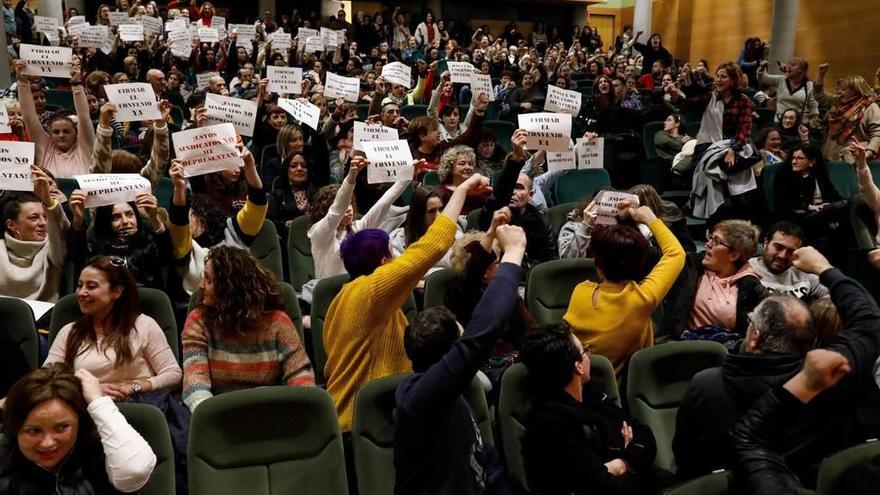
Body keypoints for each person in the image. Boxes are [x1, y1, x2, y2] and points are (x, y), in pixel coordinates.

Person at [675, 247, 880, 484]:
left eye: (751, 322)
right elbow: (869, 322)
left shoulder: (706, 385)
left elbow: (684, 455)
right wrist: (825, 269)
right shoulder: (831, 380)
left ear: (755, 337)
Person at [323, 172, 492, 431]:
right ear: (384, 264)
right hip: (363, 423)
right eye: (393, 255)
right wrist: (461, 191)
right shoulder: (372, 290)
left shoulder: (341, 300)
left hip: (367, 416)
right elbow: (430, 248)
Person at [394, 224, 526, 494]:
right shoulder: (420, 400)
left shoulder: (454, 397)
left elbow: (486, 461)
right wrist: (513, 254)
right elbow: (481, 335)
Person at [520, 324, 659, 494]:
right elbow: (601, 487)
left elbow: (644, 436)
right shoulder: (550, 426)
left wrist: (620, 465)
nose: (588, 355)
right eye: (585, 350)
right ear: (578, 366)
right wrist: (628, 460)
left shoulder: (591, 394)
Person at [181, 246, 314, 411]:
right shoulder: (198, 321)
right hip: (218, 417)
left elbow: (302, 379)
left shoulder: (277, 323)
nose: (201, 286)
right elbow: (195, 384)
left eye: (208, 280)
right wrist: (215, 418)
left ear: (230, 288)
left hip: (271, 412)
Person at [563, 202, 686, 375]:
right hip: (623, 392)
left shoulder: (580, 292)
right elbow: (676, 253)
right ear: (641, 263)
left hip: (582, 383)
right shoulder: (643, 299)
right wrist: (649, 219)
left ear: (597, 264)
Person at [0, 365, 156, 492]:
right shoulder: (6, 461)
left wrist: (98, 402)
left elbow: (135, 470)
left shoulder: (102, 457)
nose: (47, 443)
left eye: (62, 427)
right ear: (16, 428)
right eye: (33, 431)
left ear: (80, 424)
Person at [43, 256, 182, 400]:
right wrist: (86, 388)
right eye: (79, 285)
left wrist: (135, 386)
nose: (81, 293)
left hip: (138, 407)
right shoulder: (70, 331)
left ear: (116, 292)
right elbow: (47, 378)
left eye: (91, 286)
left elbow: (173, 374)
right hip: (87, 410)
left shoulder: (144, 325)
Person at [306, 156, 409, 283]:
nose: (348, 209)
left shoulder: (358, 228)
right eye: (345, 204)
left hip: (356, 292)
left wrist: (408, 175)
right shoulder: (319, 235)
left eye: (350, 203)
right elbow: (336, 211)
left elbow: (384, 203)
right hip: (330, 295)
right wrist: (351, 178)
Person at [663, 220, 767, 342]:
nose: (708, 244)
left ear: (734, 255)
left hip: (724, 354)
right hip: (679, 346)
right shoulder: (691, 266)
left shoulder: (750, 285)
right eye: (710, 238)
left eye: (716, 241)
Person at [478, 130, 555, 266]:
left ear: (530, 195)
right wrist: (516, 156)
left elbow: (550, 255)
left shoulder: (538, 217)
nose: (513, 192)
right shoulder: (494, 212)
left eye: (519, 187)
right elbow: (502, 194)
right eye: (511, 187)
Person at [68, 191, 173, 291]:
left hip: (145, 304)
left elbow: (167, 256)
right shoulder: (95, 246)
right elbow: (76, 256)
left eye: (130, 214)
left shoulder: (148, 240)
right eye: (116, 217)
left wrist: (154, 218)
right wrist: (78, 219)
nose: (126, 221)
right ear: (106, 222)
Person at [15, 60, 97, 178]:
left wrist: (76, 84)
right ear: (49, 133)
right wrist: (23, 82)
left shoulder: (84, 148)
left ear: (76, 133)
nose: (61, 135)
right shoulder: (44, 149)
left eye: (67, 131)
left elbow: (84, 118)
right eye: (56, 132)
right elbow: (29, 118)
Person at [0, 169, 69, 302]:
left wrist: (48, 201)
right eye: (33, 218)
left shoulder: (53, 250)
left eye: (45, 217)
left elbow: (61, 229)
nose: (43, 223)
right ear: (12, 225)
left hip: (42, 321)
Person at [773, 143, 847, 257]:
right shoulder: (784, 175)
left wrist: (832, 203)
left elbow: (834, 195)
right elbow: (784, 201)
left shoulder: (820, 175)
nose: (794, 161)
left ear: (812, 162)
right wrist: (809, 206)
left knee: (843, 207)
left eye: (800, 158)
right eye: (793, 158)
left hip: (823, 212)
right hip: (801, 215)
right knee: (837, 210)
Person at [389, 186, 461, 281]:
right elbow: (403, 273)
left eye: (440, 209)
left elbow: (462, 269)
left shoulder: (455, 234)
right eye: (432, 211)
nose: (438, 216)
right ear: (418, 214)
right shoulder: (399, 240)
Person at [814, 65, 880, 163]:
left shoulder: (870, 107)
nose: (839, 92)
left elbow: (877, 133)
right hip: (829, 156)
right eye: (839, 88)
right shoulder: (836, 102)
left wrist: (868, 153)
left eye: (843, 89)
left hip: (853, 159)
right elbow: (819, 95)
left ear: (855, 90)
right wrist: (821, 74)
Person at [749, 221, 828, 301]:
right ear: (766, 243)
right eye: (778, 247)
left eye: (791, 251)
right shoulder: (746, 269)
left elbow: (837, 296)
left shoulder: (804, 274)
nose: (783, 256)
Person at [757, 57, 819, 124]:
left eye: (793, 65)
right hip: (780, 122)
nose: (788, 66)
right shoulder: (781, 80)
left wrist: (814, 123)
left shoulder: (809, 85)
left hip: (800, 124)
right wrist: (762, 68)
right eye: (788, 64)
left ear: (801, 70)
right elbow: (762, 78)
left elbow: (813, 107)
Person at [436, 145, 491, 215]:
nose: (467, 167)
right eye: (462, 164)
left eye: (470, 164)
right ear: (450, 167)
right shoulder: (440, 192)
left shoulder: (481, 190)